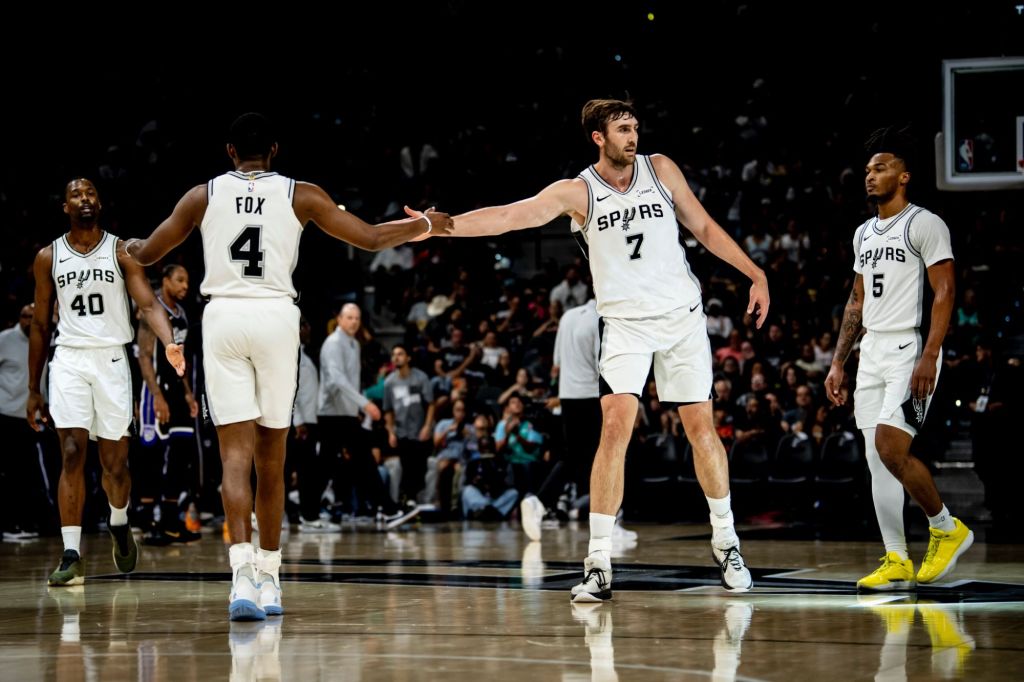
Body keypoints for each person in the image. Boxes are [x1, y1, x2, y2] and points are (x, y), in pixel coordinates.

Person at [421, 98, 769, 599]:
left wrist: (755, 273)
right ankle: (599, 562)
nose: (633, 136)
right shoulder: (578, 191)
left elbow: (706, 228)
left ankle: (727, 541)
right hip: (625, 326)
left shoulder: (660, 169)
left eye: (635, 127)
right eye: (623, 129)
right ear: (598, 137)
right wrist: (444, 223)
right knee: (613, 430)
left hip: (681, 318)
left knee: (701, 429)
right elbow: (511, 216)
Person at [124, 112, 452, 621]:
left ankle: (242, 577)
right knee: (272, 460)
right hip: (277, 318)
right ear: (274, 150)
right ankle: (272, 580)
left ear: (230, 151)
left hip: (224, 318)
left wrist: (127, 247)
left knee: (235, 459)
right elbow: (369, 237)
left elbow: (147, 253)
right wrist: (424, 224)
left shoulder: (202, 195)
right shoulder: (303, 194)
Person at [825, 126, 972, 591]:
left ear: (904, 176)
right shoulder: (863, 233)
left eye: (881, 168)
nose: (870, 176)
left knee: (892, 447)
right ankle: (896, 558)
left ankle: (946, 527)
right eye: (868, 170)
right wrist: (838, 362)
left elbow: (946, 291)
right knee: (877, 458)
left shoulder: (924, 223)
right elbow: (856, 301)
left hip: (910, 348)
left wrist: (930, 353)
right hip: (871, 350)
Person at [27, 178, 185, 586]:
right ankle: (71, 554)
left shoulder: (120, 252)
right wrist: (33, 388)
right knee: (71, 452)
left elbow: (147, 303)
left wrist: (169, 341)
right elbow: (40, 324)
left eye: (90, 193)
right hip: (69, 358)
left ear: (99, 203)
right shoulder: (48, 257)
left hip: (112, 358)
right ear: (65, 207)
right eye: (76, 195)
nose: (85, 198)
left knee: (115, 466)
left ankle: (118, 520)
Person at [519, 292, 602, 541]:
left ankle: (539, 501)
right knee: (606, 457)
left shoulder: (567, 317)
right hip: (592, 396)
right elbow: (604, 366)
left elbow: (557, 362)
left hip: (568, 396)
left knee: (574, 458)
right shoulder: (601, 319)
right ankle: (609, 523)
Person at [136, 264, 202, 545]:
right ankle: (149, 522)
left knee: (180, 455)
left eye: (187, 280)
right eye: (180, 280)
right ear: (165, 281)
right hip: (156, 391)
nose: (185, 285)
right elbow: (144, 356)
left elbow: (181, 360)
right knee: (153, 457)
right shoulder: (152, 310)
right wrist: (156, 396)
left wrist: (187, 392)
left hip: (177, 390)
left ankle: (172, 521)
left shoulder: (182, 314)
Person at [0, 303, 48, 540]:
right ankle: (10, 525)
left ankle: (29, 522)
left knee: (30, 474)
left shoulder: (46, 339)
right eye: (24, 316)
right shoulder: (4, 340)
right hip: (8, 416)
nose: (28, 320)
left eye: (32, 316)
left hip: (36, 418)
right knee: (11, 473)